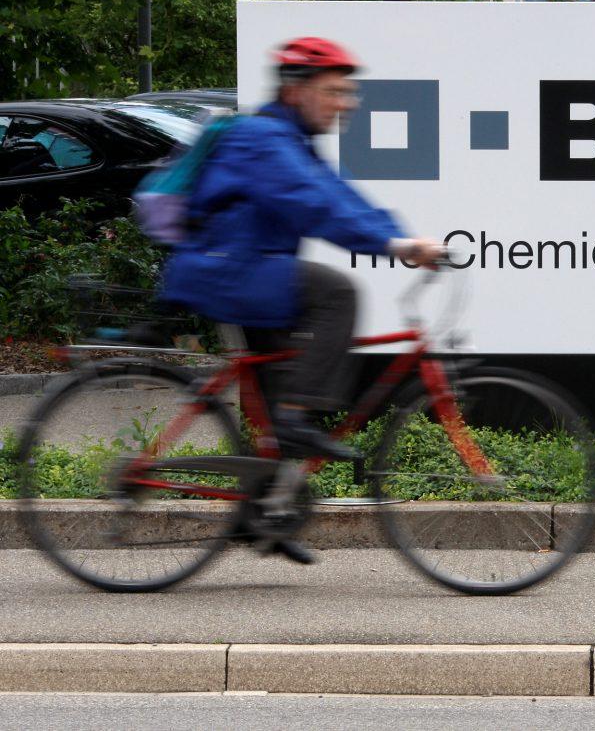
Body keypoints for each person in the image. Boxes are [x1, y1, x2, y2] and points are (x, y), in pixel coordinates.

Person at [160, 38, 443, 561]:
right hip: (231, 271)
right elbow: (312, 204)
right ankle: (294, 421)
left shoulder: (292, 141)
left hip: (247, 273)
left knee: (280, 385)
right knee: (336, 293)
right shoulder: (262, 139)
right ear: (295, 90)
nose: (347, 103)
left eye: (348, 92)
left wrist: (399, 238)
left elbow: (339, 195)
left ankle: (258, 508)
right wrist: (394, 246)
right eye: (334, 91)